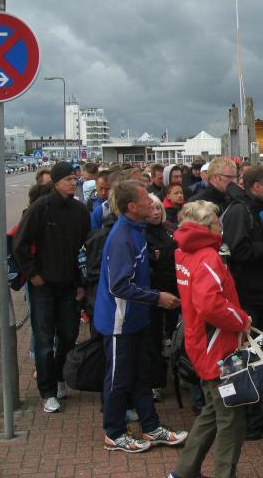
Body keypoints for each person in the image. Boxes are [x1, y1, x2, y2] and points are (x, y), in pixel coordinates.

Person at [94, 180, 187, 453]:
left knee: (141, 375)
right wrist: (157, 297)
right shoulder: (122, 238)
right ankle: (114, 433)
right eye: (146, 198)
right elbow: (118, 286)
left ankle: (151, 426)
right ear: (133, 207)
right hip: (119, 322)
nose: (151, 201)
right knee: (119, 378)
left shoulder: (137, 230)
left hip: (136, 319)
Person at [169, 201, 252, 478]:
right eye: (217, 221)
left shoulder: (184, 252)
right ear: (206, 226)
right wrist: (241, 319)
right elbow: (210, 305)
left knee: (213, 412)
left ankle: (184, 471)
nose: (221, 226)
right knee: (231, 418)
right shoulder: (208, 256)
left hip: (200, 341)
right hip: (217, 346)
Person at [13, 161, 91, 413]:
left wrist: (81, 283)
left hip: (69, 285)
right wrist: (33, 274)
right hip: (43, 286)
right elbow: (19, 244)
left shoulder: (80, 211)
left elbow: (85, 249)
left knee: (69, 335)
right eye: (68, 179)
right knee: (44, 340)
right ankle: (47, 392)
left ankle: (58, 377)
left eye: (74, 179)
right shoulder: (40, 208)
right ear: (56, 182)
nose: (73, 183)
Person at [220, 164, 263, 440]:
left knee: (257, 353)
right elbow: (237, 250)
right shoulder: (240, 210)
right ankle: (251, 419)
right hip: (246, 294)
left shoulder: (253, 208)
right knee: (248, 355)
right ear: (256, 187)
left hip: (257, 292)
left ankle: (257, 412)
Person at [146, 194, 178, 400]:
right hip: (152, 293)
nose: (156, 212)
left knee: (174, 333)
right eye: (151, 208)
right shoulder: (141, 233)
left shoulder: (169, 230)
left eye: (158, 208)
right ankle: (155, 383)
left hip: (173, 289)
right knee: (153, 337)